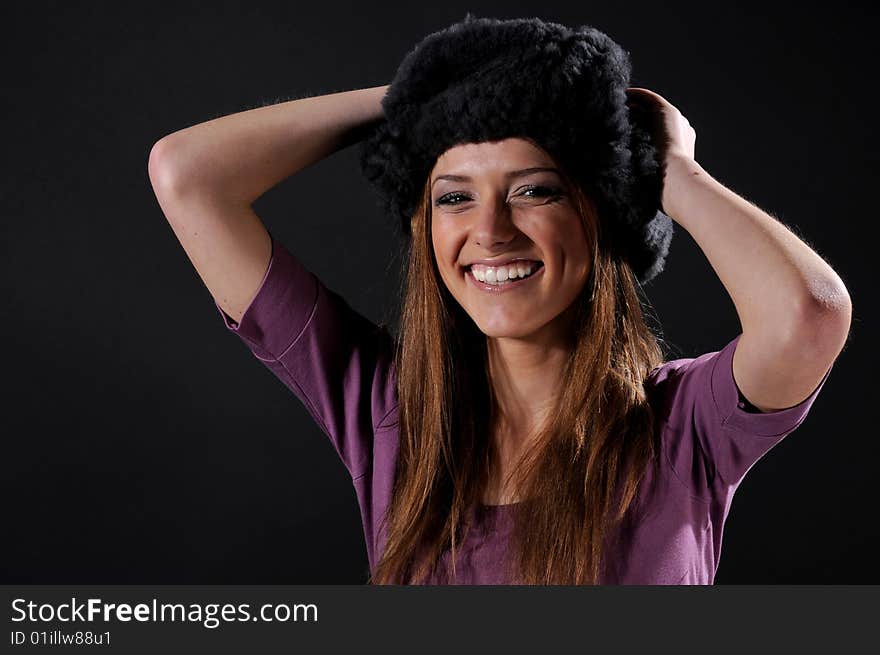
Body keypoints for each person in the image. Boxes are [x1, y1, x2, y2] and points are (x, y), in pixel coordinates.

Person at [148, 15, 852, 584]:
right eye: (455, 197)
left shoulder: (683, 429)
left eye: (533, 190)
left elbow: (809, 312)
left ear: (596, 210)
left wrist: (673, 169)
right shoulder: (386, 413)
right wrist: (421, 100)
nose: (489, 231)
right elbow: (187, 176)